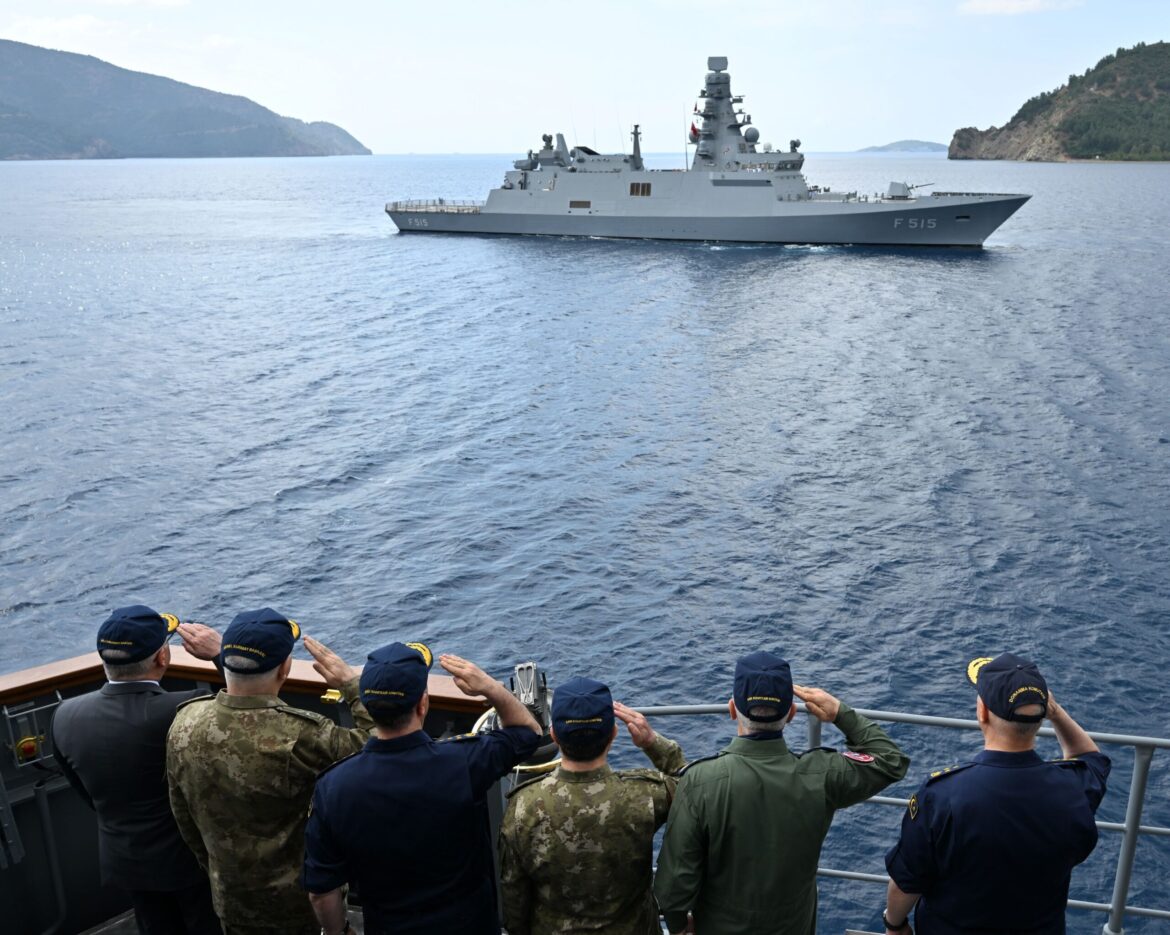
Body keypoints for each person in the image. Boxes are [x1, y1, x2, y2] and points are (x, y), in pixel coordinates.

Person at [653, 650, 910, 935]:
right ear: (790, 714)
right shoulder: (820, 775)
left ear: (731, 708)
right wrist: (839, 713)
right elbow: (890, 761)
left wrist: (678, 926)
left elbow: (673, 887)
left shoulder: (701, 781)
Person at [302, 643, 542, 935]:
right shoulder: (464, 763)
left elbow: (321, 890)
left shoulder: (333, 787)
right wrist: (491, 688)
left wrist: (339, 932)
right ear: (423, 704)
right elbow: (528, 733)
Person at [166, 608, 372, 935]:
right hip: (299, 907)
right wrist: (351, 685)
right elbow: (375, 747)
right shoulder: (303, 735)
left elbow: (184, 817)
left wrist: (218, 872)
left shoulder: (185, 724)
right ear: (285, 668)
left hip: (231, 899)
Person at [882, 653, 1110, 935]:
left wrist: (894, 924)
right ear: (1041, 717)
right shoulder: (1072, 789)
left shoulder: (941, 796)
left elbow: (907, 883)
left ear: (983, 711)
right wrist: (1056, 712)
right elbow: (1090, 757)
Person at [51, 604, 224, 935]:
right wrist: (220, 654)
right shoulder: (185, 707)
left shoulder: (64, 715)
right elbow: (245, 711)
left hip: (126, 859)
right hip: (192, 862)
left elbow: (84, 792)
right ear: (162, 657)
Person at [498, 676, 686, 935]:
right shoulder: (646, 795)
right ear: (613, 733)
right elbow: (691, 789)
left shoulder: (523, 807)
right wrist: (653, 743)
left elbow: (514, 900)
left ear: (554, 735)